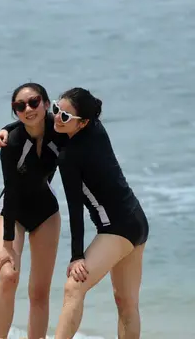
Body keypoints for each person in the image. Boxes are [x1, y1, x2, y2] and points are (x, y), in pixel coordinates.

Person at [49, 88, 149, 339]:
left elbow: (75, 208)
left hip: (117, 228)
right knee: (126, 304)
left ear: (82, 123)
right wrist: (9, 129)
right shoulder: (96, 128)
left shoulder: (69, 157)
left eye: (64, 116)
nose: (56, 118)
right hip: (136, 220)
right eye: (55, 109)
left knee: (74, 287)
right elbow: (39, 122)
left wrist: (76, 256)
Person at [0, 83, 66, 339]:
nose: (28, 109)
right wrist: (8, 243)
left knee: (39, 291)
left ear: (45, 102)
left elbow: (84, 124)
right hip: (13, 210)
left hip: (46, 211)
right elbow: (11, 190)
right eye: (20, 106)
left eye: (34, 102)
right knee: (8, 275)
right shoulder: (11, 142)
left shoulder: (60, 131)